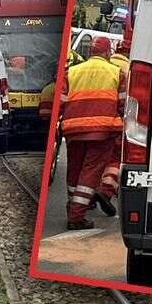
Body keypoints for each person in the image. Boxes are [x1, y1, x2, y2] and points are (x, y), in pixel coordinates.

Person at [57, 35, 125, 229]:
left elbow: (61, 102)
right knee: (91, 171)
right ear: (107, 52)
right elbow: (122, 104)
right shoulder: (116, 72)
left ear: (90, 52)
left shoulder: (72, 72)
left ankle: (73, 206)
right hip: (102, 130)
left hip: (73, 129)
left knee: (75, 169)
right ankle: (76, 217)